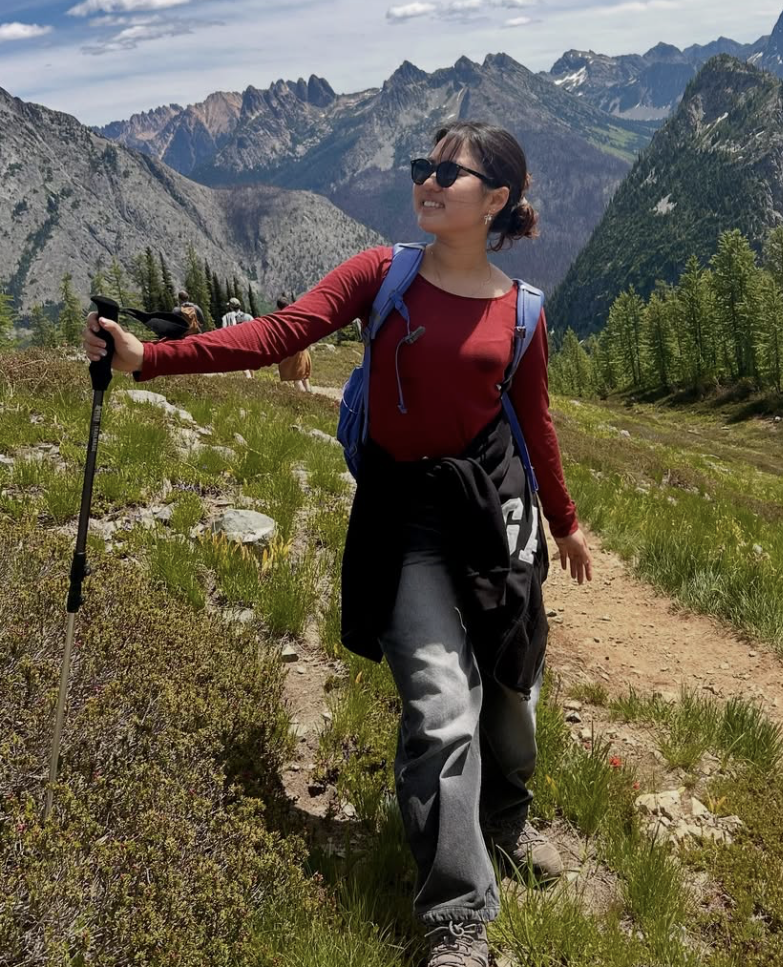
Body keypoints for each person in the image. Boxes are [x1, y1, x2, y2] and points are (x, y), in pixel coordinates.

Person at [83, 121, 592, 967]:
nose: (427, 180)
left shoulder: (523, 314)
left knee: (510, 695)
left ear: (496, 200)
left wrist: (566, 524)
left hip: (493, 517)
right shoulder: (381, 274)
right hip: (405, 518)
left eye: (448, 173)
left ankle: (504, 823)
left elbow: (534, 424)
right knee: (441, 704)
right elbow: (281, 335)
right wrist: (151, 359)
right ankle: (458, 920)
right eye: (423, 166)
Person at [274, 293, 312, 393]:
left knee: (297, 379)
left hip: (293, 350)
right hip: (303, 349)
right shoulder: (297, 314)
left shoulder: (281, 317)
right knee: (305, 378)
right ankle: (310, 396)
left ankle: (304, 400)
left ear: (278, 307)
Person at [221, 297, 255, 379]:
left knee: (241, 362)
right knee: (249, 360)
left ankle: (249, 378)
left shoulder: (226, 317)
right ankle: (253, 378)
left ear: (231, 307)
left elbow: (224, 329)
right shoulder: (248, 316)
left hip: (235, 341)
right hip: (248, 341)